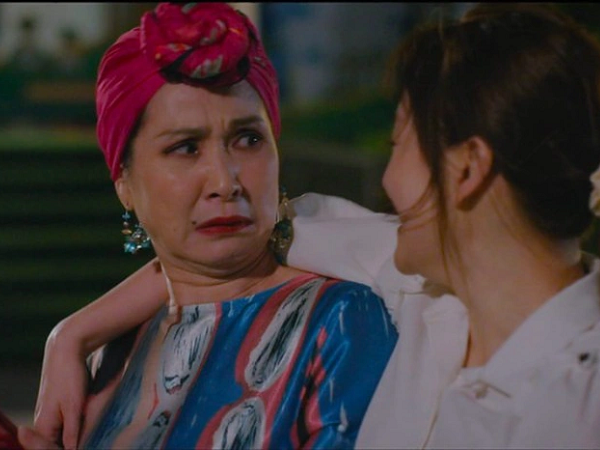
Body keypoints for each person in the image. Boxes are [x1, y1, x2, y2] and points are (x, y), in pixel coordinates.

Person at [29, 2, 600, 449]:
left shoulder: (572, 407)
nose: (386, 180)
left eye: (398, 143)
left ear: (467, 170)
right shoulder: (401, 268)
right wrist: (72, 334)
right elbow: (232, 251)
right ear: (123, 181)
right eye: (185, 148)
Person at [16, 3, 397, 449]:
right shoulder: (114, 349)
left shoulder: (342, 321)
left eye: (248, 139)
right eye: (186, 147)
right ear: (125, 185)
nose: (224, 181)